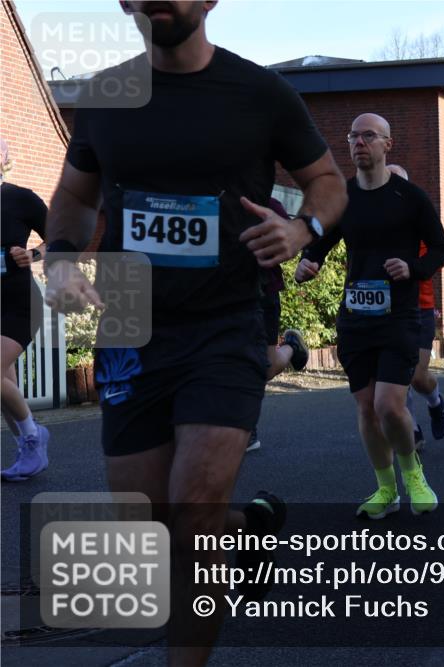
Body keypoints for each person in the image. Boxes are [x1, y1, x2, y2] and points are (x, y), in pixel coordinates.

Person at [43, 3, 349, 664]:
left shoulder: (259, 92)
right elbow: (74, 194)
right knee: (151, 526)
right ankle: (251, 532)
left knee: (194, 515)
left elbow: (326, 181)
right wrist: (64, 256)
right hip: (129, 313)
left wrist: (302, 230)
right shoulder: (106, 97)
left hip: (225, 317)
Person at [297, 115, 444, 517]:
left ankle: (414, 474)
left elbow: (441, 249)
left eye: (369, 136)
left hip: (399, 316)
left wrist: (413, 268)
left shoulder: (410, 197)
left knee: (388, 405)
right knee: (365, 407)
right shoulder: (343, 198)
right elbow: (322, 242)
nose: (359, 142)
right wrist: (308, 262)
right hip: (355, 318)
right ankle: (385, 490)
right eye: (353, 136)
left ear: (388, 144)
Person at [385, 164, 444, 450]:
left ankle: (436, 402)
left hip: (420, 306)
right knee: (394, 374)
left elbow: (441, 253)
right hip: (385, 308)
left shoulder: (421, 218)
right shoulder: (375, 223)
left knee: (416, 375)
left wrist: (412, 268)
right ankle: (412, 430)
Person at [1, 139, 50, 481]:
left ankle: (34, 438)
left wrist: (31, 255)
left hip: (19, 304)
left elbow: (60, 239)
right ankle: (26, 450)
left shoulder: (20, 198)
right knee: (5, 386)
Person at [245, 197, 310, 452]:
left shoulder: (268, 204)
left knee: (265, 366)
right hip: (227, 297)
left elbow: (291, 245)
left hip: (264, 294)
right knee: (234, 362)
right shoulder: (213, 198)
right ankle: (246, 427)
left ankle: (292, 346)